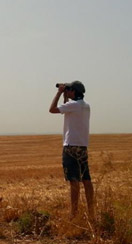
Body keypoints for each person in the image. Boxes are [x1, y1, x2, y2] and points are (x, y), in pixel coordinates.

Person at [49, 81, 94, 219]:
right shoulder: (85, 106)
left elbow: (52, 109)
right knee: (86, 179)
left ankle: (74, 214)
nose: (67, 92)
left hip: (70, 146)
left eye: (69, 90)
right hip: (82, 146)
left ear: (74, 91)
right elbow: (67, 110)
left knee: (73, 181)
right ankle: (91, 211)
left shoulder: (72, 105)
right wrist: (65, 95)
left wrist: (58, 93)